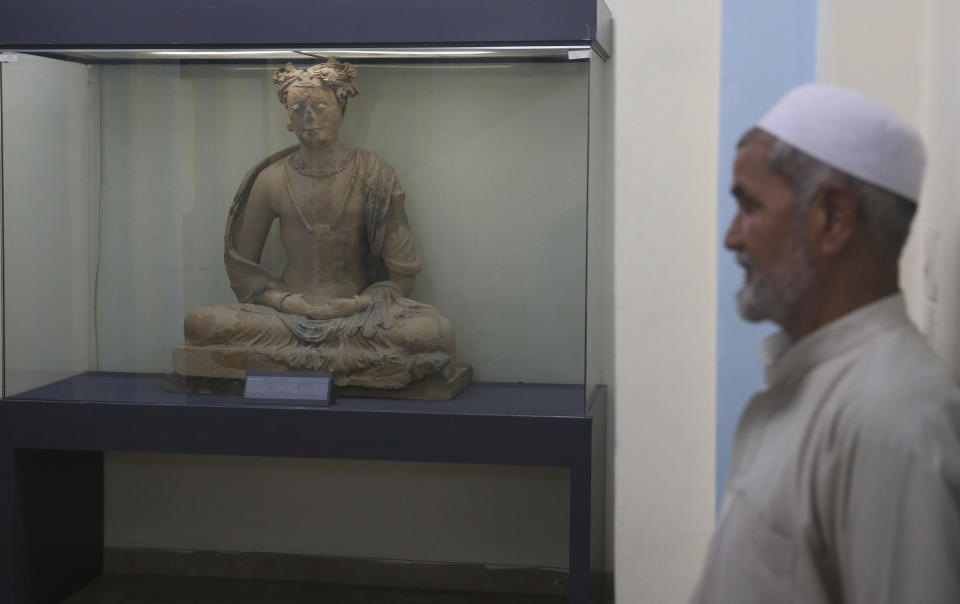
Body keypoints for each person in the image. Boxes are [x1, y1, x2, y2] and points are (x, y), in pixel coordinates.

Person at [690, 84, 960, 603]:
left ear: (832, 219)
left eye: (750, 206)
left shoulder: (893, 420)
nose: (732, 238)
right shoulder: (821, 383)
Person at [178, 59, 458, 389]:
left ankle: (293, 361)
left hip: (358, 317)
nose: (309, 117)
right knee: (201, 321)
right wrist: (285, 302)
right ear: (288, 119)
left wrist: (356, 304)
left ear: (342, 109)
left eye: (320, 106)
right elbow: (243, 269)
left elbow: (402, 278)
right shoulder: (272, 180)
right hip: (286, 316)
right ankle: (351, 365)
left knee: (430, 330)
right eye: (298, 109)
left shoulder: (375, 176)